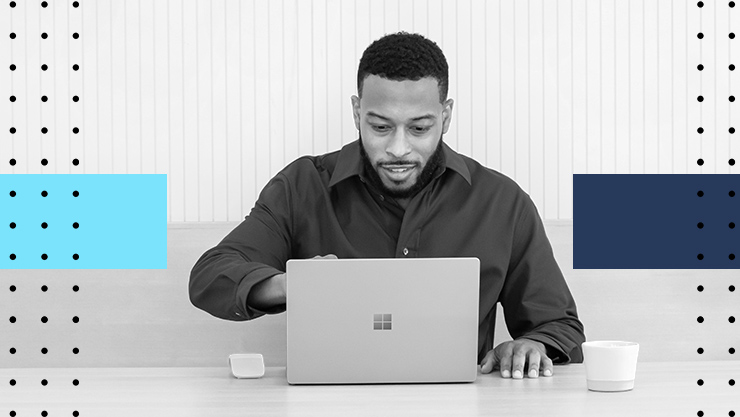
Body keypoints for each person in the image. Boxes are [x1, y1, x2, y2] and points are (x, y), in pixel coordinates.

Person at [189, 31, 585, 380]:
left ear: (445, 116)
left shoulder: (502, 202)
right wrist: (293, 285)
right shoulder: (303, 186)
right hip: (326, 405)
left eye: (419, 127)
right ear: (357, 112)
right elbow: (211, 276)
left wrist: (531, 346)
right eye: (380, 127)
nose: (398, 149)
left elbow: (559, 325)